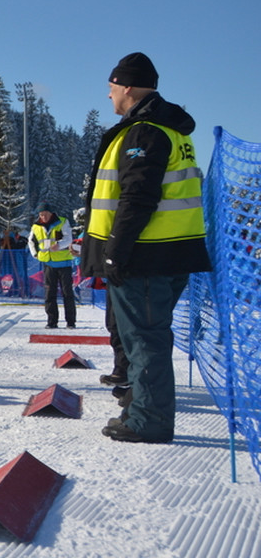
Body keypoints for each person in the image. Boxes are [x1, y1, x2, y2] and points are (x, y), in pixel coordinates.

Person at [81, 52, 212, 444]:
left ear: (127, 87)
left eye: (111, 88)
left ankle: (149, 420)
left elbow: (138, 197)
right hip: (166, 253)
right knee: (145, 336)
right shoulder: (172, 130)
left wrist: (115, 251)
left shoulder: (145, 131)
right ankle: (140, 404)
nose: (109, 96)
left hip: (146, 257)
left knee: (145, 339)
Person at [28, 203, 76, 329]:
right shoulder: (36, 226)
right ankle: (52, 321)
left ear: (51, 213)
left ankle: (70, 322)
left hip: (64, 263)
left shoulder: (62, 222)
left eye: (45, 214)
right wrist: (35, 254)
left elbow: (68, 238)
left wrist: (59, 245)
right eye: (41, 215)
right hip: (48, 264)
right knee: (49, 293)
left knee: (67, 293)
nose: (43, 217)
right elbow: (31, 242)